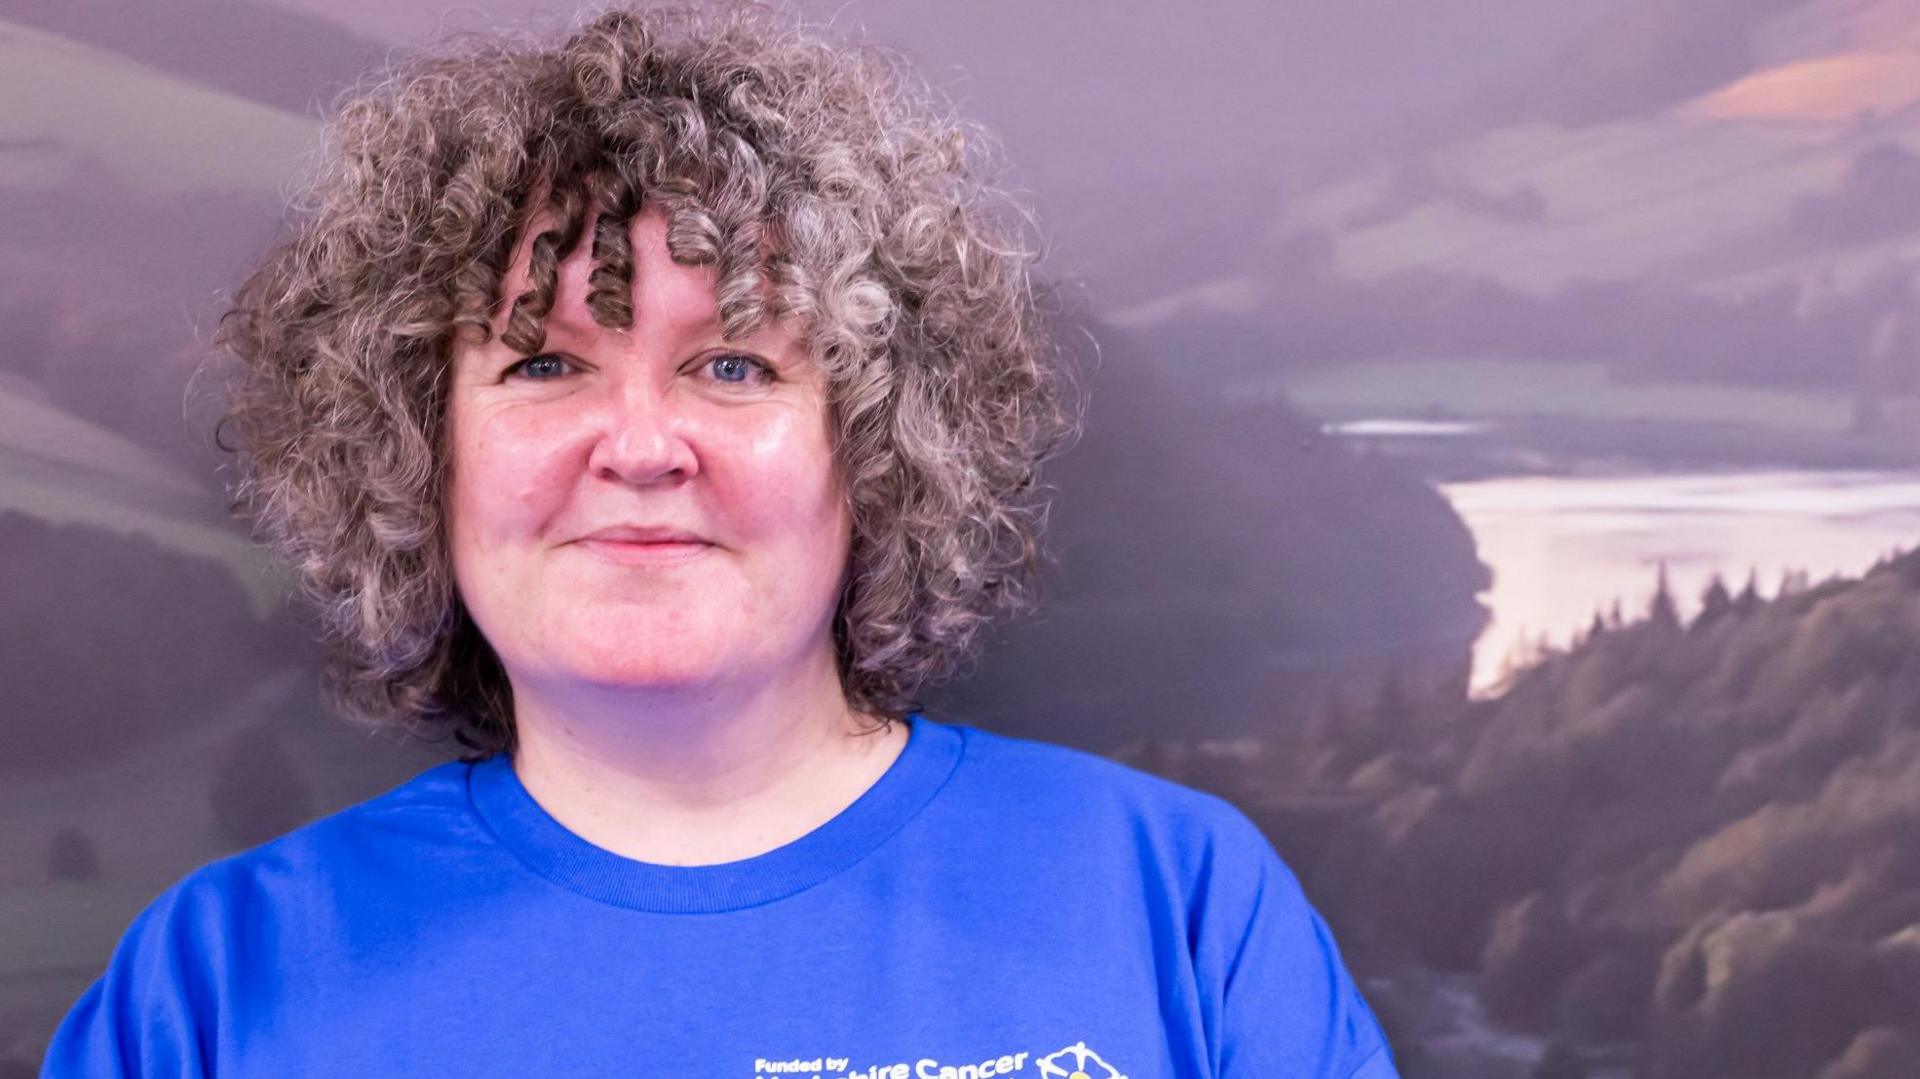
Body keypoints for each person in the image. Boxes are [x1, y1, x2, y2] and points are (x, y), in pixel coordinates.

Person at [41, 4, 1400, 1077]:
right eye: (542, 367)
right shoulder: (214, 993)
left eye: (735, 366)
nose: (640, 444)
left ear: (876, 444)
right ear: (416, 449)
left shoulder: (1173, 904)